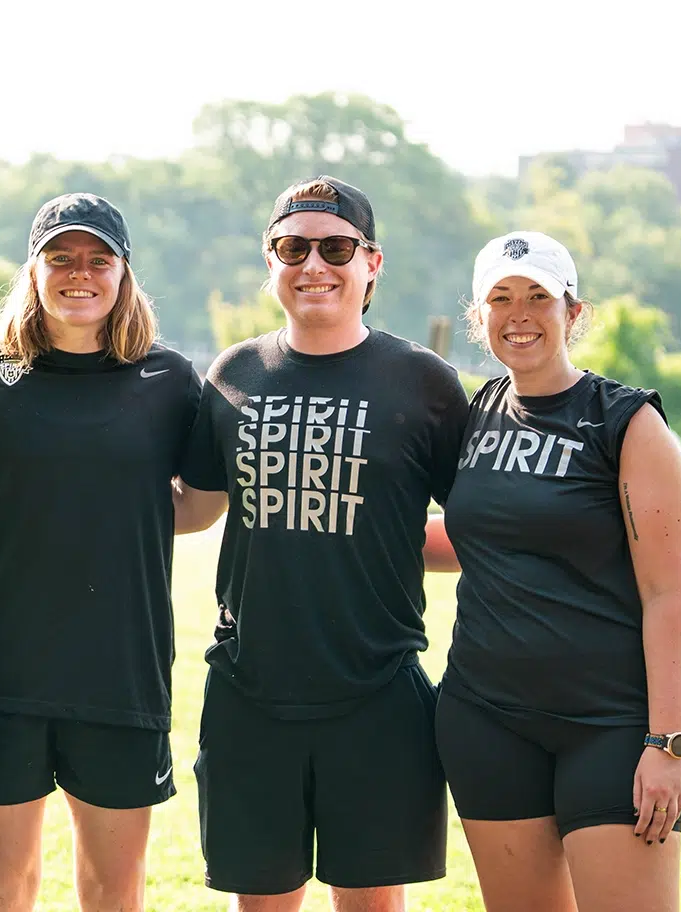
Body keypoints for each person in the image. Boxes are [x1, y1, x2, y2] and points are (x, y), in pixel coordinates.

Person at [180, 175, 470, 911]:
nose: (314, 264)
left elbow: (477, 526)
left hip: (376, 692)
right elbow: (196, 508)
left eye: (336, 246)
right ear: (269, 261)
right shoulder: (232, 375)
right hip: (250, 691)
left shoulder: (425, 382)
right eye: (293, 247)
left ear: (372, 262)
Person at [0, 193, 224, 911]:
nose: (80, 273)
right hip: (1, 665)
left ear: (124, 274)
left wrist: (117, 513)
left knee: (111, 888)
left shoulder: (167, 379)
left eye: (99, 259)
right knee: (2, 884)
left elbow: (200, 504)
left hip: (119, 670)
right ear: (32, 271)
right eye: (60, 258)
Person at [432, 231, 681, 912]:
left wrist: (667, 743)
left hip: (608, 726)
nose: (519, 313)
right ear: (479, 316)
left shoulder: (627, 423)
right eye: (501, 298)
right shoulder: (476, 414)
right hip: (486, 720)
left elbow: (668, 595)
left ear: (574, 313)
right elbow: (471, 539)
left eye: (538, 297)